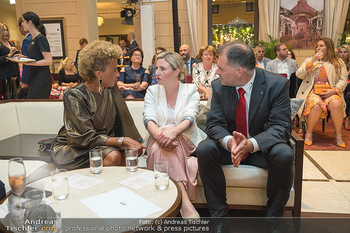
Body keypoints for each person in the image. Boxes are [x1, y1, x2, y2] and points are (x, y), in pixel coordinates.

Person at [197, 42, 293, 220]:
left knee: (284, 153)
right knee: (204, 148)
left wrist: (251, 144)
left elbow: (281, 127)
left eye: (221, 68)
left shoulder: (277, 85)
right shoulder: (219, 86)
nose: (217, 72)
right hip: (230, 149)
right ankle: (219, 216)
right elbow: (213, 124)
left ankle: (274, 219)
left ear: (239, 71)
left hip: (260, 149)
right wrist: (229, 142)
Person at [52, 40, 143, 170]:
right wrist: (122, 140)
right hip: (77, 148)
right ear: (98, 74)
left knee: (131, 153)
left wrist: (133, 143)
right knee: (113, 156)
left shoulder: (111, 88)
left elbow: (123, 121)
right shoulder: (74, 95)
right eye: (114, 70)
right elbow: (86, 137)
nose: (118, 74)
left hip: (104, 143)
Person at [143, 51, 206, 219]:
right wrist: (160, 136)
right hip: (159, 139)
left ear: (177, 71)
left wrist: (174, 131)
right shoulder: (152, 91)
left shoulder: (191, 90)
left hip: (185, 140)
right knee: (162, 146)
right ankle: (185, 204)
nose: (157, 73)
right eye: (157, 68)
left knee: (164, 144)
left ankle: (170, 206)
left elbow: (190, 117)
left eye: (162, 69)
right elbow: (149, 119)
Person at [296, 38, 348, 147]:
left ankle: (338, 134)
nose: (318, 48)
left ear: (328, 47)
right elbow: (299, 75)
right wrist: (313, 60)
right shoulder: (310, 60)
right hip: (313, 92)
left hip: (331, 92)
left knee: (336, 104)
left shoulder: (338, 62)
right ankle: (309, 133)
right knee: (316, 105)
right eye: (317, 46)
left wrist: (333, 90)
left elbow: (343, 80)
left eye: (322, 45)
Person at [14, 12, 53, 99]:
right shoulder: (33, 39)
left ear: (30, 22)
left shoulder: (40, 38)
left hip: (41, 77)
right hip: (35, 75)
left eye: (23, 21)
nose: (22, 24)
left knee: (35, 103)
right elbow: (37, 57)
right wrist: (24, 58)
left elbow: (49, 61)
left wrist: (30, 63)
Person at [0, 22, 20, 99]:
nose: (6, 32)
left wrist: (17, 54)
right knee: (8, 99)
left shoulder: (11, 43)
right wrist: (8, 55)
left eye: (7, 30)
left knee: (16, 97)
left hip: (15, 75)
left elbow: (16, 56)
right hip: (4, 77)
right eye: (3, 30)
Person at [18, 17, 32, 89]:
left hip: (30, 77)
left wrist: (24, 80)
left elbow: (26, 62)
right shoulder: (36, 37)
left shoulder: (26, 40)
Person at [338, 44, 350, 130]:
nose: (343, 54)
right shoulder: (336, 63)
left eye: (345, 52)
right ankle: (343, 118)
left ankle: (347, 118)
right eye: (341, 52)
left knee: (349, 94)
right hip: (339, 86)